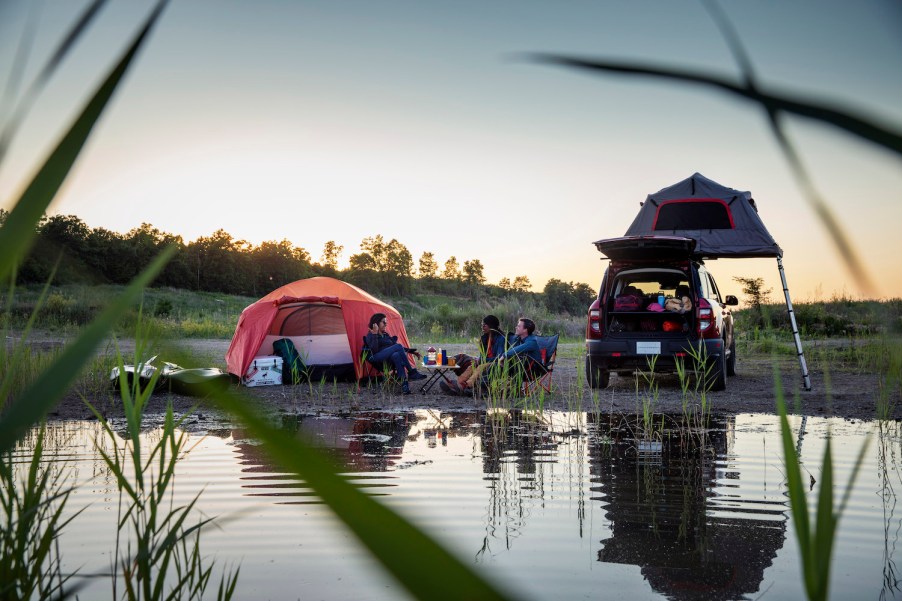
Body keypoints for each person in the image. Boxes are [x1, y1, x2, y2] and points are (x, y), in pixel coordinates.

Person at [464, 317, 541, 392]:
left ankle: (481, 388)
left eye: (519, 326)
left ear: (525, 330)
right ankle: (475, 386)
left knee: (492, 367)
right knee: (492, 366)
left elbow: (514, 351)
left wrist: (503, 356)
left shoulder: (532, 342)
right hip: (519, 366)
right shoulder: (518, 339)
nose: (516, 327)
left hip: (532, 369)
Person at [439, 315, 507, 396]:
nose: (482, 327)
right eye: (482, 325)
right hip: (485, 362)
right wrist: (479, 360)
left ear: (491, 325)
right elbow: (482, 355)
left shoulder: (501, 339)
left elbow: (500, 357)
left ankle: (466, 385)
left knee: (479, 367)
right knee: (472, 366)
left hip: (496, 363)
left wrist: (484, 360)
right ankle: (459, 384)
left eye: (484, 325)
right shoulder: (484, 338)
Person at [363, 313, 425, 394]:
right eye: (383, 322)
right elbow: (374, 350)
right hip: (377, 358)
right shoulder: (370, 335)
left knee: (396, 355)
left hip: (389, 360)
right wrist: (375, 334)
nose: (386, 324)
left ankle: (405, 386)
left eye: (386, 322)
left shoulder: (386, 335)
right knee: (398, 346)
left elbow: (395, 346)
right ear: (376, 323)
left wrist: (411, 351)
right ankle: (411, 372)